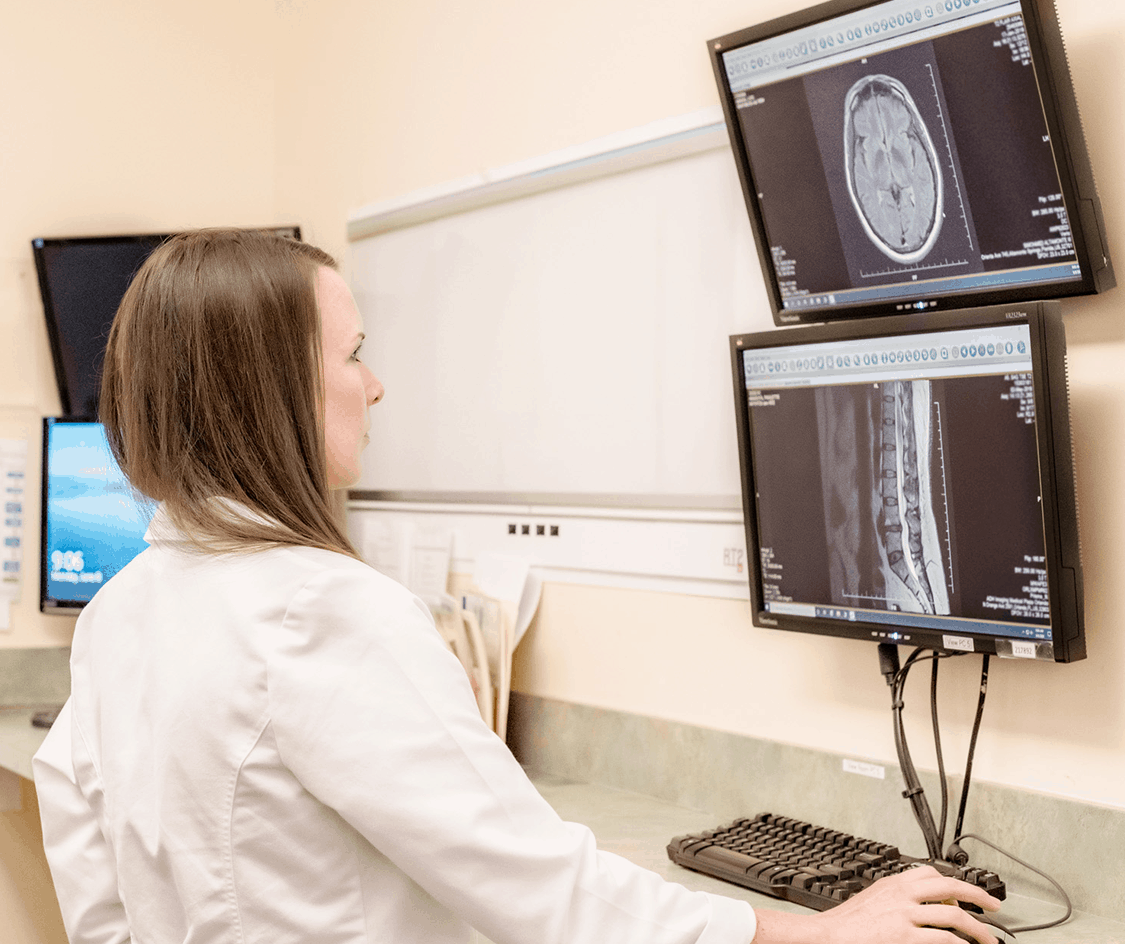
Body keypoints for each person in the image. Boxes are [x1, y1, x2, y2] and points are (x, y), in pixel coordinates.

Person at [32, 228, 1002, 944]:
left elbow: (95, 895)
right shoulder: (321, 611)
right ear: (273, 387)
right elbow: (544, 893)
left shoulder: (123, 610)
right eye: (353, 354)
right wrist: (818, 932)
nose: (374, 386)